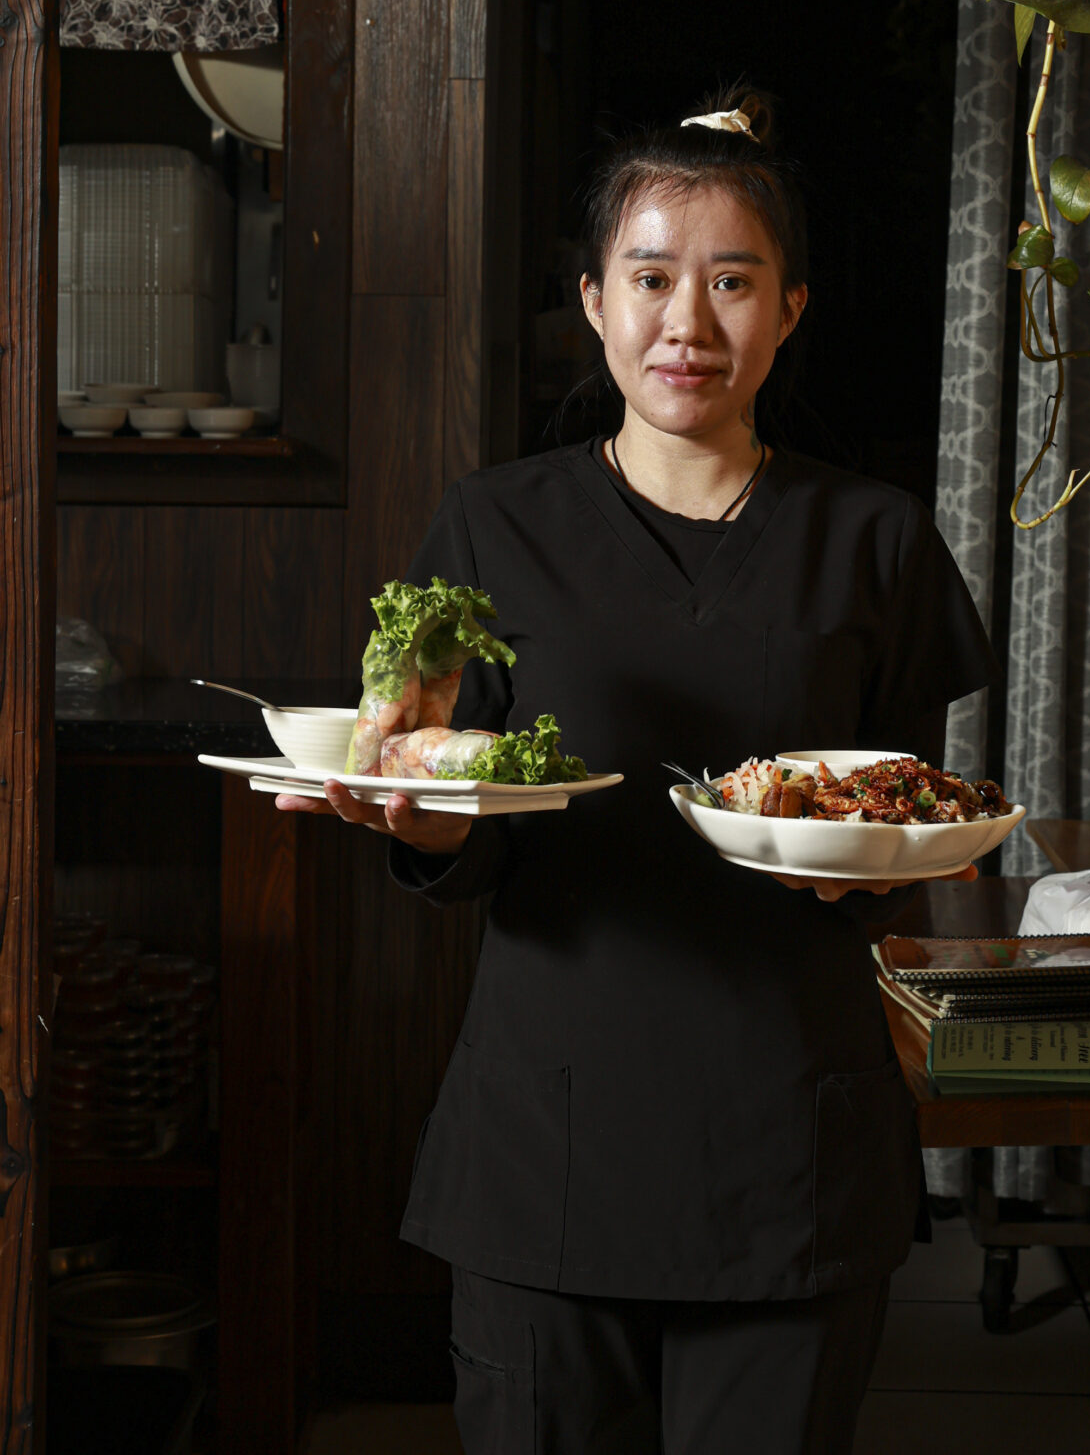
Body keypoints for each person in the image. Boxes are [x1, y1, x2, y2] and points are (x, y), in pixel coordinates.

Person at [277, 93, 997, 1453]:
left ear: (788, 309)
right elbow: (466, 827)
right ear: (593, 302)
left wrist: (870, 868)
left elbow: (912, 823)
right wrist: (415, 823)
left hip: (792, 1140)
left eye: (732, 282)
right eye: (653, 279)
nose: (689, 322)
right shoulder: (492, 525)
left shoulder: (875, 539)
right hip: (551, 1142)